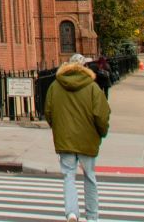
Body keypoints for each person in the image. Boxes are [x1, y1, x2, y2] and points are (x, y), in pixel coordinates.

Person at [45, 53, 111, 222]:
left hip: (65, 139)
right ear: (84, 67)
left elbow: (49, 112)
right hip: (87, 139)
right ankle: (92, 216)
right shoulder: (92, 88)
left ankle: (72, 213)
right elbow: (101, 116)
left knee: (68, 176)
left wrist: (58, 129)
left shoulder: (55, 86)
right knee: (89, 176)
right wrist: (102, 132)